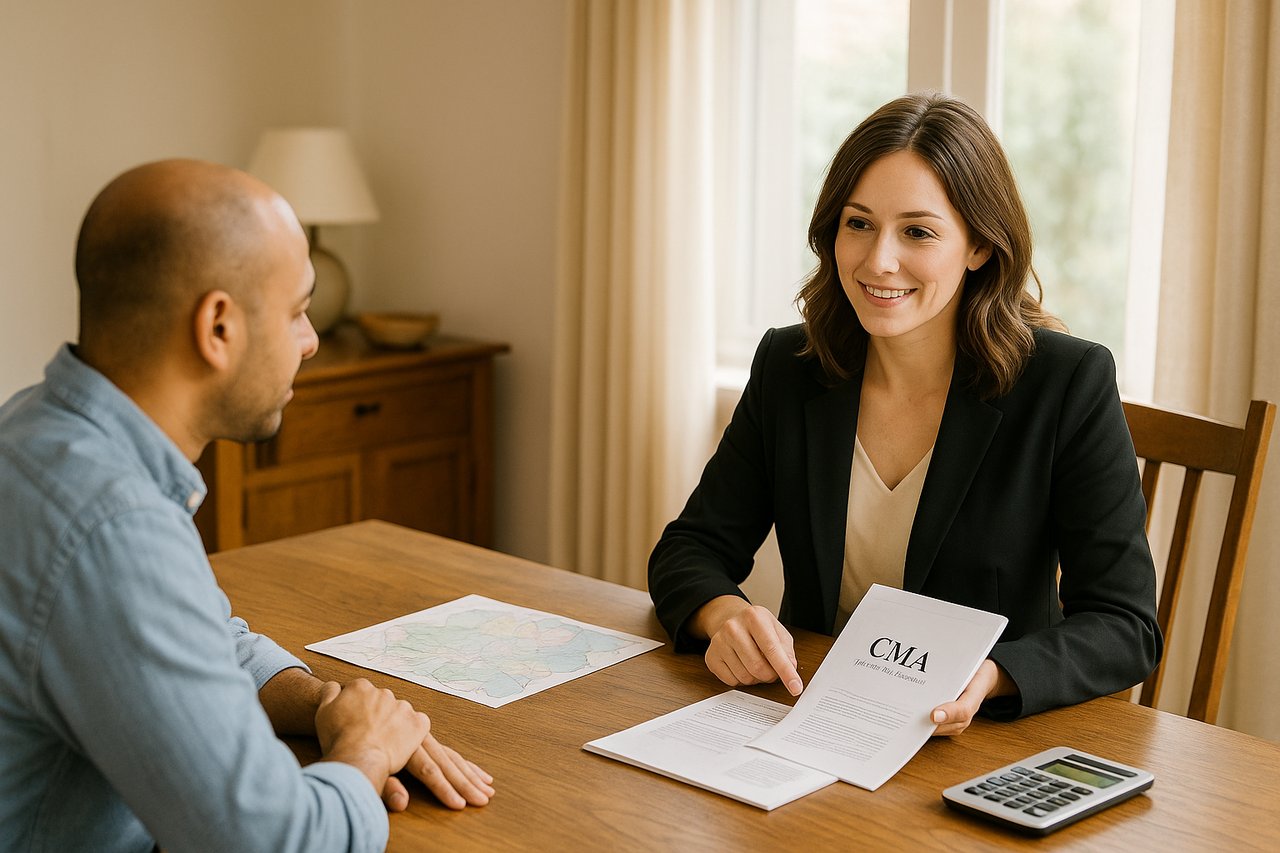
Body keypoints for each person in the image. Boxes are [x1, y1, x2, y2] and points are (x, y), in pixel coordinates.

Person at [0, 159, 494, 852]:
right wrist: (364, 750)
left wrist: (325, 702)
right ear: (219, 327)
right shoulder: (112, 525)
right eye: (296, 311)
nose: (313, 340)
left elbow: (209, 635)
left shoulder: (39, 431)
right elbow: (272, 841)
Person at [648, 92, 1162, 733]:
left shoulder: (1066, 383)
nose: (877, 260)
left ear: (978, 247)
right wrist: (722, 615)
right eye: (858, 223)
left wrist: (995, 674)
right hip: (807, 719)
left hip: (980, 739)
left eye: (918, 231)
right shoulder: (792, 365)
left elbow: (1125, 625)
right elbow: (690, 548)